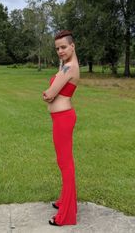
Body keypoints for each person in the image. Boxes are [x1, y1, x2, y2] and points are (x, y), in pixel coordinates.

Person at [42, 30, 80, 226]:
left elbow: (50, 94)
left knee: (66, 164)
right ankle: (65, 201)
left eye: (63, 47)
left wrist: (47, 93)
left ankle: (66, 215)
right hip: (61, 118)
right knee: (63, 162)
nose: (60, 51)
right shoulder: (66, 66)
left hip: (63, 118)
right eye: (57, 48)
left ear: (72, 46)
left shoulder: (69, 68)